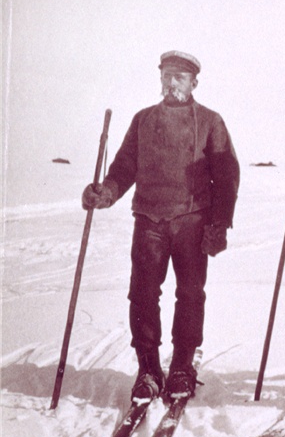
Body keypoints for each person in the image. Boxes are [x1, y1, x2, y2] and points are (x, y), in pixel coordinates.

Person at [82, 51, 240, 402]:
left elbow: (227, 176)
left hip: (192, 222)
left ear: (194, 82)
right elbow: (123, 168)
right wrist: (104, 193)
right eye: (167, 75)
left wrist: (220, 223)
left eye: (180, 77)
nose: (172, 83)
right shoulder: (143, 120)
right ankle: (149, 369)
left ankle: (182, 367)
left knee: (189, 294)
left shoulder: (211, 121)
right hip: (149, 221)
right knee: (142, 294)